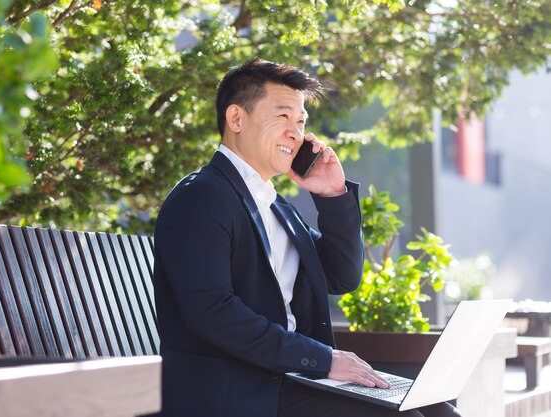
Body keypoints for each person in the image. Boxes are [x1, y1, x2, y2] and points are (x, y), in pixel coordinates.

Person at [152, 58, 462, 417]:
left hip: (289, 381)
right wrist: (323, 359)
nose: (295, 133)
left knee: (437, 409)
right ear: (236, 119)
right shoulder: (202, 196)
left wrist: (333, 196)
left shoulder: (277, 207)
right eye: (282, 117)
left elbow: (342, 276)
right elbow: (213, 313)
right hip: (235, 391)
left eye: (300, 122)